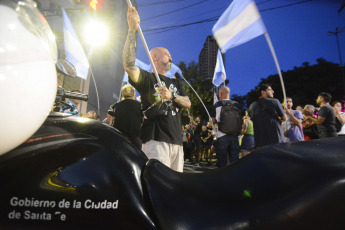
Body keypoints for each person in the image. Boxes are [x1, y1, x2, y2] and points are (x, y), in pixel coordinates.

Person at [123, 6, 191, 172]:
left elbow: (188, 103)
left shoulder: (176, 81)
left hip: (176, 142)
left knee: (175, 186)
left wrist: (172, 96)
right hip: (156, 140)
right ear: (154, 57)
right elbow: (129, 65)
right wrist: (132, 30)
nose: (171, 58)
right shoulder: (147, 78)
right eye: (167, 54)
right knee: (157, 185)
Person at [248, 84, 287, 148]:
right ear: (263, 92)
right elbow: (285, 118)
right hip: (276, 137)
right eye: (270, 90)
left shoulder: (252, 106)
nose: (273, 91)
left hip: (260, 140)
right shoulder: (275, 101)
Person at [211, 86, 241, 168]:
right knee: (235, 161)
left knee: (222, 162)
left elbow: (213, 121)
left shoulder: (217, 105)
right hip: (234, 136)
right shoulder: (236, 104)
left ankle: (223, 179)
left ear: (220, 94)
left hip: (222, 135)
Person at [107, 85, 143, 149]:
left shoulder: (115, 106)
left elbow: (109, 120)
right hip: (134, 139)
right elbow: (143, 121)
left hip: (119, 137)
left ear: (123, 94)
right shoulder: (140, 106)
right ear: (134, 94)